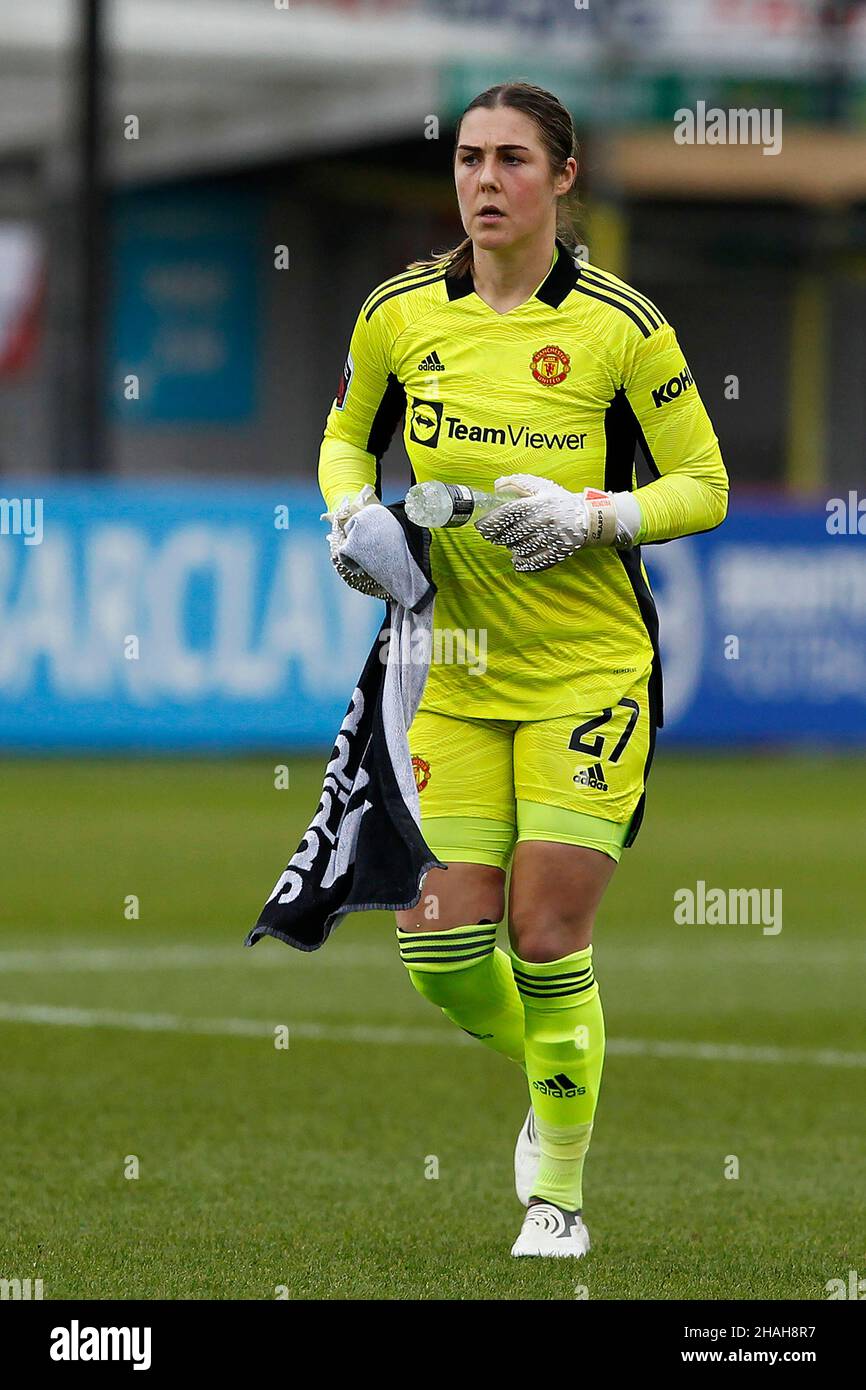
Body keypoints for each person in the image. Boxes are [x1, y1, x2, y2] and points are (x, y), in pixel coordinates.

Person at [318, 81, 728, 1258]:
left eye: (508, 159)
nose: (482, 180)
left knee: (544, 935)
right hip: (450, 662)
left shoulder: (621, 325)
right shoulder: (399, 313)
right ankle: (563, 1059)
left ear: (562, 176)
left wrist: (599, 516)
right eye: (465, 159)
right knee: (443, 951)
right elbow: (347, 436)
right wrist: (355, 519)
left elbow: (701, 485)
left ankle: (557, 1189)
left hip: (587, 669)